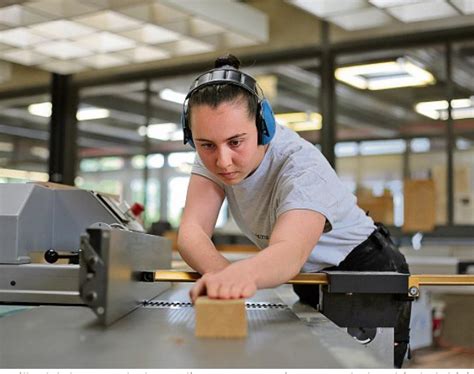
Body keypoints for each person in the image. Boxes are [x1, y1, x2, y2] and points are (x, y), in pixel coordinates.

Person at [177, 54, 411, 368]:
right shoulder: (216, 149)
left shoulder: (301, 168)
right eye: (206, 145)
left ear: (264, 126)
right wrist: (223, 279)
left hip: (365, 273)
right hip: (311, 277)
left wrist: (239, 275)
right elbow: (192, 233)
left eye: (236, 142)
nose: (222, 161)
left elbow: (289, 252)